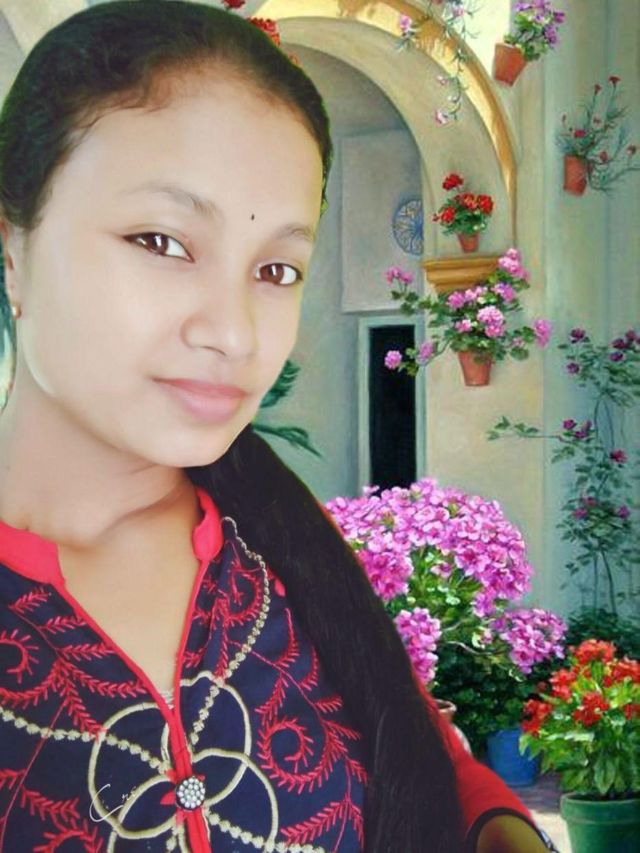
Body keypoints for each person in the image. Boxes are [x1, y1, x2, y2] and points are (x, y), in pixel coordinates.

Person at [0, 2, 558, 850]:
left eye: (276, 269)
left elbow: (430, 762)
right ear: (13, 248)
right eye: (161, 241)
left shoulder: (290, 557)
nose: (234, 333)